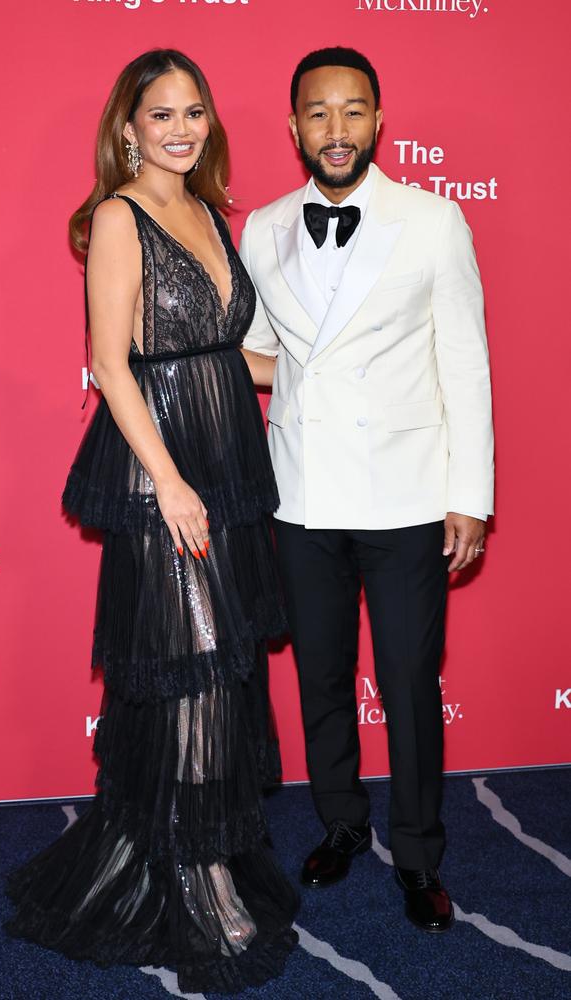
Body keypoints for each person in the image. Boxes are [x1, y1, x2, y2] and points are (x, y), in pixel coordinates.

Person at [5, 49, 298, 993]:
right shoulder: (121, 218)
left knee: (224, 673)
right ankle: (195, 873)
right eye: (160, 114)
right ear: (127, 126)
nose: (180, 128)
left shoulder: (210, 213)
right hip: (161, 473)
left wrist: (319, 374)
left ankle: (201, 852)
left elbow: (223, 355)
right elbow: (111, 362)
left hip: (226, 465)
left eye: (194, 112)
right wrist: (169, 481)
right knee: (192, 681)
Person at [240, 46, 494, 933]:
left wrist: (471, 495)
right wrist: (192, 348)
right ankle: (343, 823)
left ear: (379, 122)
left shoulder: (432, 222)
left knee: (410, 683)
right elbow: (271, 356)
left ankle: (420, 854)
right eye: (318, 113)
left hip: (406, 495)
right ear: (294, 126)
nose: (335, 130)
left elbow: (464, 362)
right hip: (303, 493)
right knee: (320, 677)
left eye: (353, 112)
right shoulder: (263, 227)